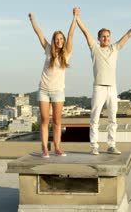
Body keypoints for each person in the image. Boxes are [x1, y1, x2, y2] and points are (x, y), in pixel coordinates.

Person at [75, 7, 131, 155]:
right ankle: (94, 146)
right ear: (99, 38)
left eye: (108, 36)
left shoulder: (115, 48)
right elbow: (85, 32)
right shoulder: (94, 48)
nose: (106, 39)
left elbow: (129, 34)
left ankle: (111, 145)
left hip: (112, 88)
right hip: (99, 88)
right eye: (103, 36)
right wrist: (77, 18)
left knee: (112, 119)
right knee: (95, 118)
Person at [29, 9, 77, 158]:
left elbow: (71, 35)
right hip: (43, 90)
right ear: (53, 40)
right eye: (57, 39)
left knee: (57, 122)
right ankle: (45, 149)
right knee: (45, 121)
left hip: (58, 92)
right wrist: (32, 20)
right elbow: (39, 34)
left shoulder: (67, 53)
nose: (59, 41)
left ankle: (57, 147)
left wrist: (75, 17)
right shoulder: (49, 49)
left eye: (61, 39)